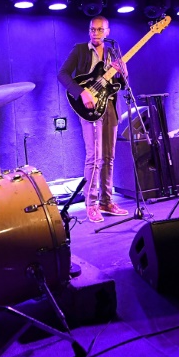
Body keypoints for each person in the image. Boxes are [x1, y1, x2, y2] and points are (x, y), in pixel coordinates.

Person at [58, 16, 129, 223]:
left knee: (109, 157)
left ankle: (107, 201)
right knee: (94, 157)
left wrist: (123, 72)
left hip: (110, 108)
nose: (95, 33)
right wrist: (82, 93)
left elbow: (122, 85)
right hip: (89, 109)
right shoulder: (80, 50)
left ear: (107, 32)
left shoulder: (113, 53)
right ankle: (92, 204)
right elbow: (62, 74)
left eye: (100, 30)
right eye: (92, 29)